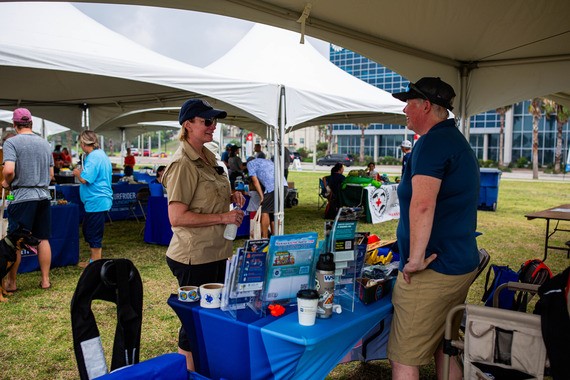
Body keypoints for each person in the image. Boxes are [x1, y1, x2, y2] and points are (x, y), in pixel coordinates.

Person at [387, 77, 480, 380]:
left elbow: (423, 204)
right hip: (458, 261)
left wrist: (414, 260)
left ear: (425, 106)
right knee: (445, 347)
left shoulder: (432, 142)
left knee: (403, 357)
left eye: (409, 103)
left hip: (434, 269)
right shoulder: (454, 140)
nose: (404, 109)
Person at [161, 99, 245, 371]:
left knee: (210, 319)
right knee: (194, 324)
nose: (213, 126)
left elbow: (205, 196)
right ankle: (188, 374)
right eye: (207, 121)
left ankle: (207, 368)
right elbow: (177, 217)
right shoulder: (182, 163)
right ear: (188, 125)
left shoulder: (208, 157)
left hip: (216, 253)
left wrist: (230, 196)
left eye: (214, 122)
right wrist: (223, 217)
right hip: (193, 258)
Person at [2, 108, 53, 290]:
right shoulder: (45, 143)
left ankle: (12, 282)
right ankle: (45, 280)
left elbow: (9, 170)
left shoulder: (12, 143)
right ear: (31, 123)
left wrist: (6, 182)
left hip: (22, 196)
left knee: (14, 241)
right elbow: (51, 173)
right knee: (43, 239)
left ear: (15, 125)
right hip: (43, 195)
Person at [73, 130, 113, 267]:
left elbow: (85, 179)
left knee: (93, 233)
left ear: (84, 143)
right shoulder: (100, 155)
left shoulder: (94, 157)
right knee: (90, 230)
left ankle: (95, 263)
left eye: (80, 143)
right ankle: (93, 260)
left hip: (97, 200)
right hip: (97, 200)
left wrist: (78, 173)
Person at [246, 157, 287, 238]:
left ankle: (265, 237)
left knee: (265, 211)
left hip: (272, 187)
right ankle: (275, 237)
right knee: (274, 212)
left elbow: (255, 181)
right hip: (284, 185)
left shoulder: (250, 164)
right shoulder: (267, 161)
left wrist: (262, 196)